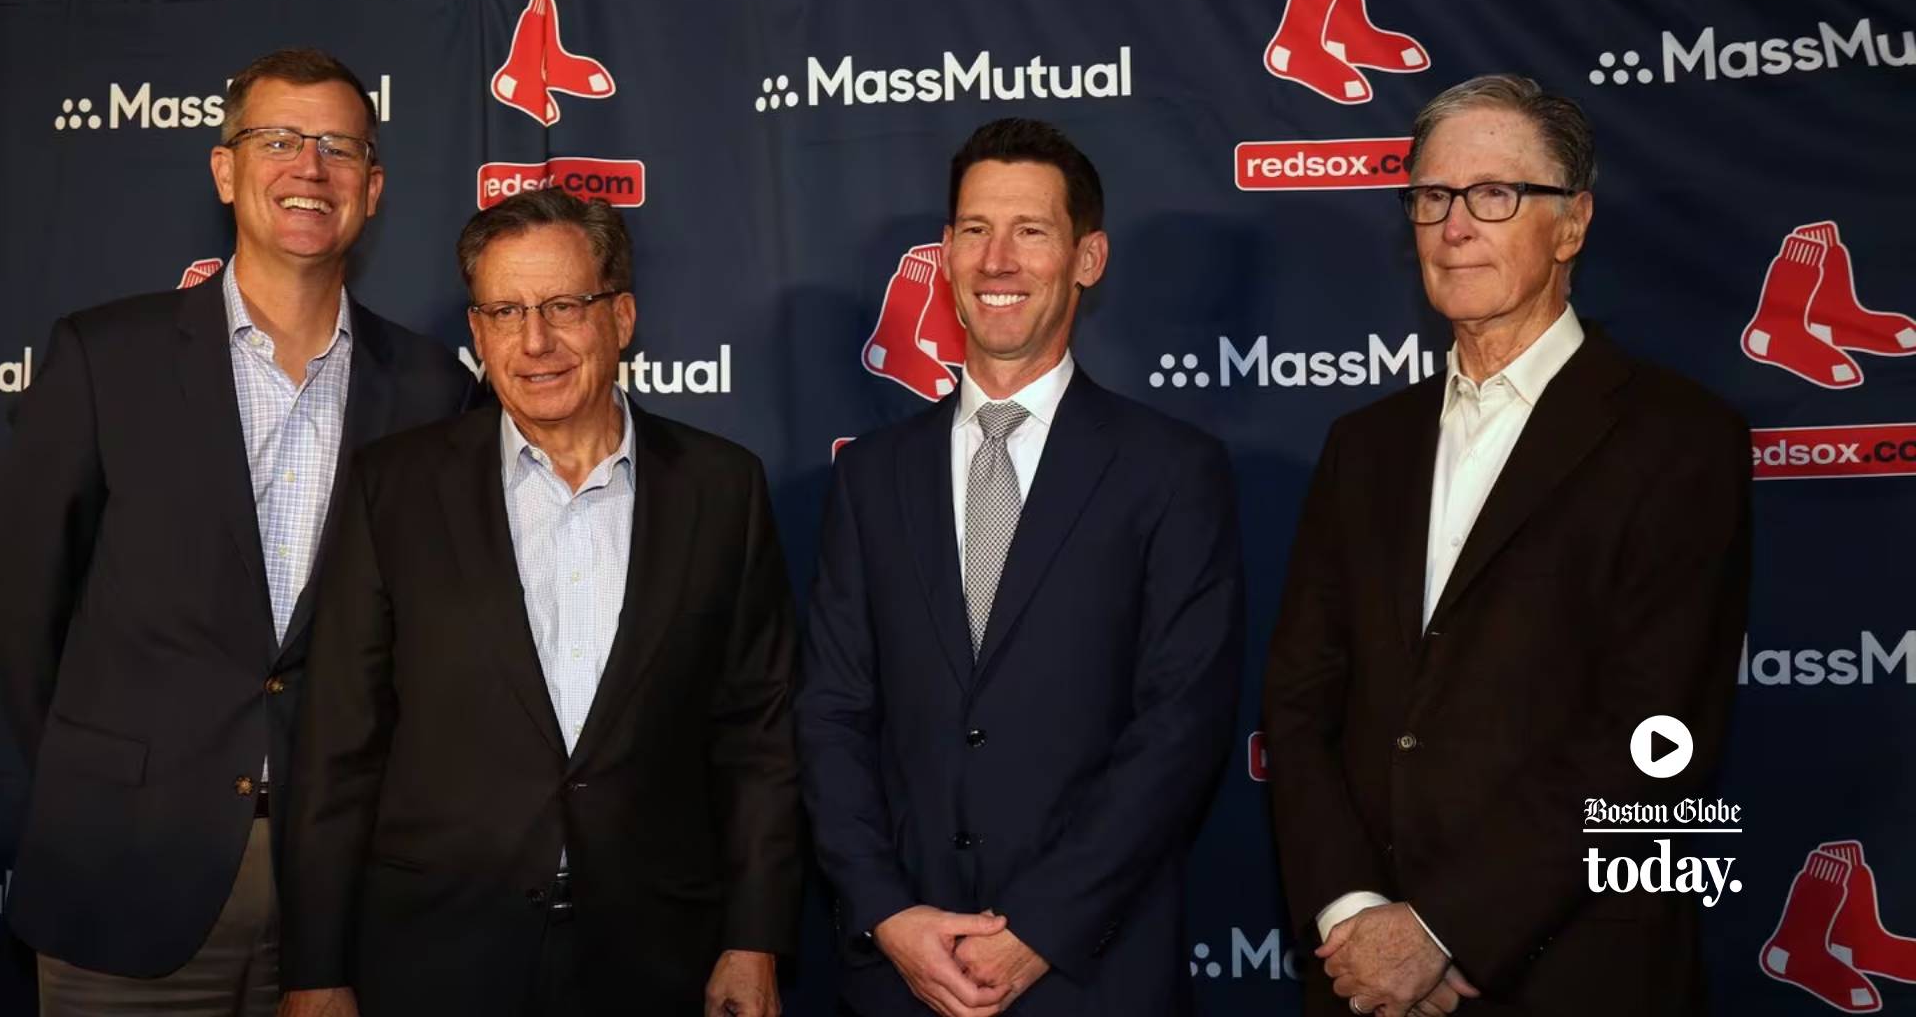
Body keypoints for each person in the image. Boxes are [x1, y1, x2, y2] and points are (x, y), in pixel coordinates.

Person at [1261, 74, 1752, 1017]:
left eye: (1494, 195)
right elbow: (1298, 703)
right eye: (1432, 197)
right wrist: (1356, 913)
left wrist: (1440, 929)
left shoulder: (1677, 439)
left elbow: (1660, 735)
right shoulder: (1363, 446)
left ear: (1571, 225)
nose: (1454, 226)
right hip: (1362, 981)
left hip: (1576, 972)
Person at [0, 47, 468, 1016]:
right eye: (279, 140)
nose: (310, 167)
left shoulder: (433, 391)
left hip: (344, 898)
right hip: (121, 870)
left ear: (372, 189)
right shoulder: (104, 357)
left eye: (339, 147)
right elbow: (19, 612)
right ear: (224, 168)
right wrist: (77, 796)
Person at [279, 188, 803, 1017]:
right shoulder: (395, 487)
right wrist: (314, 968)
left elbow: (758, 738)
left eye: (564, 305)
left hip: (657, 955)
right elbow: (338, 742)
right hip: (435, 955)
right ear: (478, 334)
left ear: (621, 317)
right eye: (506, 312)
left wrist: (755, 936)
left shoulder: (720, 488)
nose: (535, 342)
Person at [799, 117, 1245, 1017]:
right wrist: (887, 914)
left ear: (1088, 258)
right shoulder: (870, 476)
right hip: (899, 978)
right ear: (947, 252)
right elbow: (832, 713)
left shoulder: (1170, 470)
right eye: (973, 231)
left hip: (1091, 973)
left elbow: (1180, 727)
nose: (997, 260)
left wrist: (1039, 928)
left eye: (1030, 232)